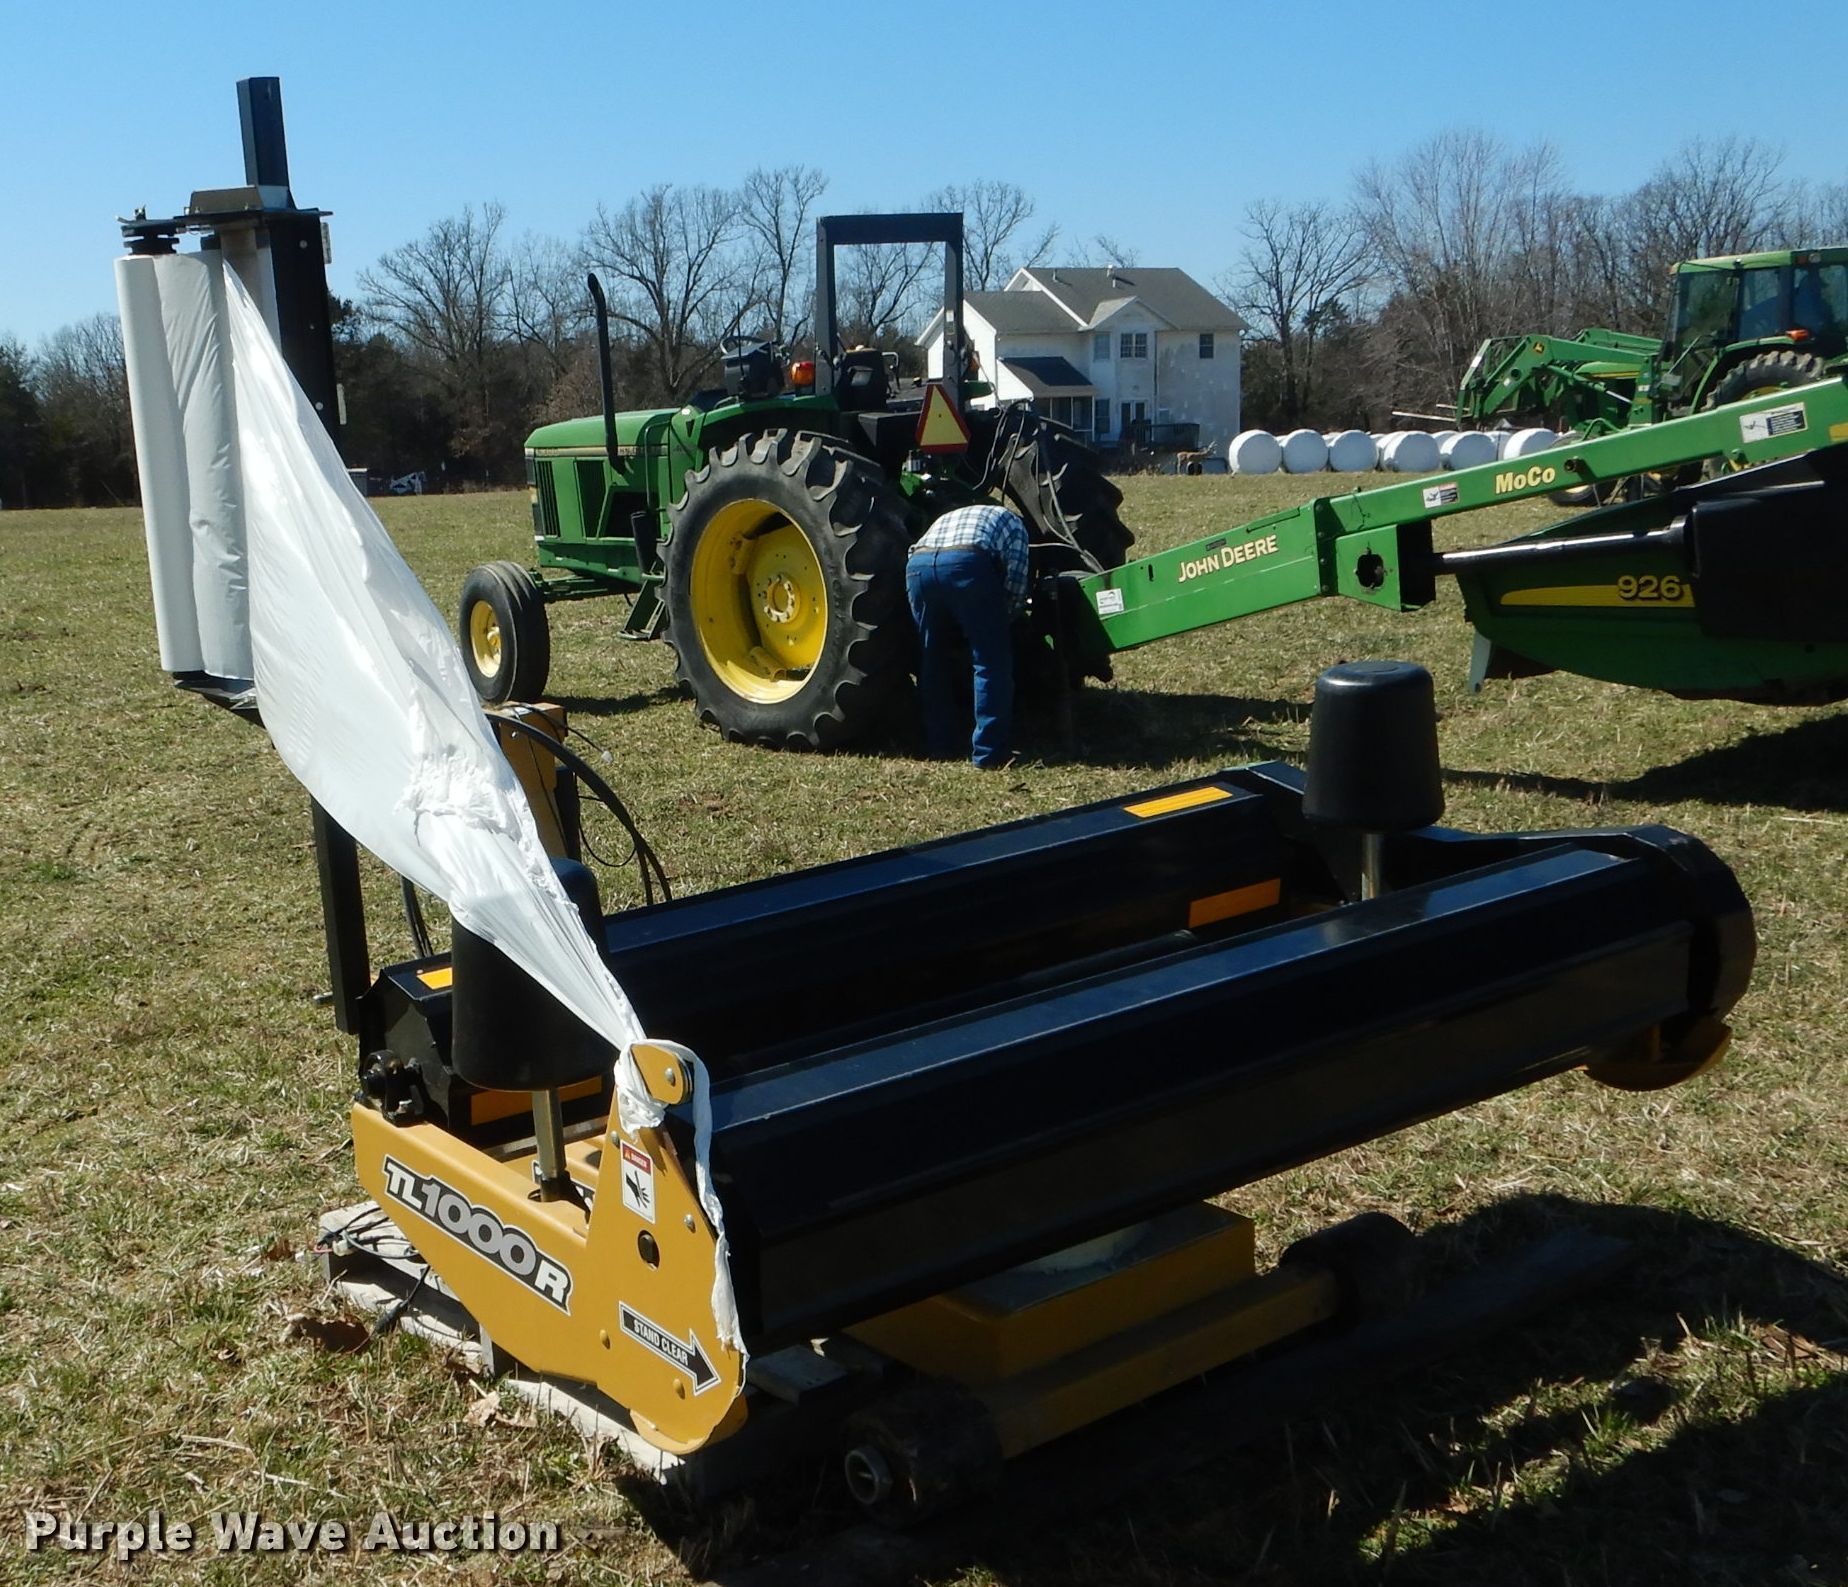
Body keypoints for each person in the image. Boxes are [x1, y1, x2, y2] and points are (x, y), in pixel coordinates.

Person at [906, 501, 1030, 769]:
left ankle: (940, 745)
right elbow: (1016, 584)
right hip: (965, 565)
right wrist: (1006, 619)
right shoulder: (1016, 525)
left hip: (918, 566)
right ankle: (988, 753)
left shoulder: (950, 515)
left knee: (933, 661)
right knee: (990, 662)